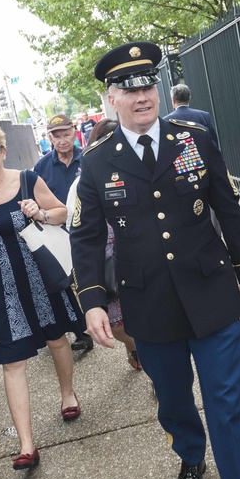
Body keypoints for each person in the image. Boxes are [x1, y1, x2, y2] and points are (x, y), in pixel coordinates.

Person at [72, 41, 240, 479]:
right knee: (173, 400)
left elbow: (227, 206)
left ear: (159, 89)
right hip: (148, 302)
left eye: (147, 85)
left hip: (211, 290)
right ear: (112, 98)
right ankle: (190, 455)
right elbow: (83, 236)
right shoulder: (98, 160)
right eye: (128, 89)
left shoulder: (194, 137)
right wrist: (92, 302)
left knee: (227, 401)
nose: (141, 96)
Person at [0, 122, 83, 471]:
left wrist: (39, 213)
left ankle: (68, 394)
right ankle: (27, 445)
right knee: (12, 360)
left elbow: (62, 212)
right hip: (2, 287)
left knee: (57, 339)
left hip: (40, 275)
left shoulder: (27, 179)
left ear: (3, 150)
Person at [65, 118, 141, 370]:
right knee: (117, 325)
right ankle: (134, 347)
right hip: (107, 263)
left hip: (137, 253)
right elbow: (76, 228)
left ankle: (154, 368)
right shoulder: (83, 181)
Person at [33, 113, 93, 352]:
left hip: (87, 230)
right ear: (50, 138)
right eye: (56, 136)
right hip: (56, 232)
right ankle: (82, 331)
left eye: (66, 134)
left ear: (74, 132)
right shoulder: (42, 166)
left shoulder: (88, 159)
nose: (62, 140)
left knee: (89, 279)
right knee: (64, 282)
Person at [164, 83, 220, 148]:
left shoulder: (166, 121)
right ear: (189, 98)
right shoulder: (204, 116)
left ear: (173, 100)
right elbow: (213, 141)